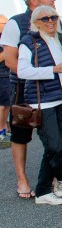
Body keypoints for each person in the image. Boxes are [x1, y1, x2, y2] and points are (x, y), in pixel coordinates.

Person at [17, 6, 62, 204]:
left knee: (57, 145)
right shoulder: (28, 42)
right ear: (36, 22)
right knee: (54, 145)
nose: (50, 21)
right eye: (45, 18)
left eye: (53, 17)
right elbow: (23, 72)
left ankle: (43, 191)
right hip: (42, 102)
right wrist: (53, 69)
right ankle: (59, 177)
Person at [0, 0, 62, 199]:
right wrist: (35, 77)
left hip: (53, 89)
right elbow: (9, 60)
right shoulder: (16, 23)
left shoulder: (55, 20)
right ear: (32, 1)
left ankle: (52, 176)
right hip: (23, 88)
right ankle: (22, 180)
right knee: (20, 135)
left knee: (52, 135)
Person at [0, 14, 10, 148]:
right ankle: (1, 130)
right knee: (1, 106)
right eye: (5, 23)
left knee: (7, 105)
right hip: (1, 75)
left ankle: (4, 129)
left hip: (8, 74)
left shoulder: (7, 39)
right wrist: (7, 52)